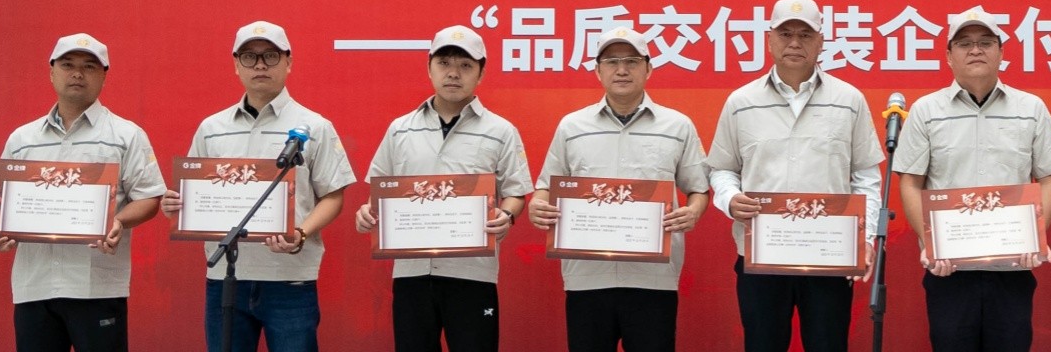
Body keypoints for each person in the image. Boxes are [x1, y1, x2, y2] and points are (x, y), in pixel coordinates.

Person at [162, 21, 358, 352]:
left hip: (290, 279)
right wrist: (176, 205)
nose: (260, 65)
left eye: (270, 55)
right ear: (236, 65)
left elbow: (333, 196)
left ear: (288, 62)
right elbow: (193, 193)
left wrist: (301, 233)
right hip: (226, 278)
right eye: (249, 57)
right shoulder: (212, 128)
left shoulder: (313, 126)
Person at [708, 0, 886, 352]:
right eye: (785, 34)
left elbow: (865, 177)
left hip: (830, 256)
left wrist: (866, 238)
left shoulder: (849, 100)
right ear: (769, 39)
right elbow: (722, 169)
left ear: (821, 42)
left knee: (828, 344)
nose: (794, 43)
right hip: (761, 256)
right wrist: (730, 199)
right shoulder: (741, 102)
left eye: (805, 35)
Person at [894, 7, 1051, 352]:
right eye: (964, 43)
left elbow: (1050, 178)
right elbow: (911, 183)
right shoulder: (926, 111)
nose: (975, 50)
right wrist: (930, 243)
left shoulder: (1030, 108)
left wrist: (1036, 236)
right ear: (949, 56)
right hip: (949, 269)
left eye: (985, 42)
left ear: (1001, 52)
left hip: (1012, 269)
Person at [526, 25, 711, 352]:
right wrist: (537, 206)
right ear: (598, 71)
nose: (621, 70)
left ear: (648, 68)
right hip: (587, 276)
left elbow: (699, 189)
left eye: (631, 61)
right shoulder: (572, 127)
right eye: (611, 62)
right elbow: (545, 188)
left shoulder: (677, 126)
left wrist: (693, 211)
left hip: (653, 277)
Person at [354, 26, 533, 352]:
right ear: (429, 67)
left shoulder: (501, 131)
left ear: (481, 72)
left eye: (465, 65)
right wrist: (367, 212)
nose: (453, 73)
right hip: (411, 272)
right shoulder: (400, 129)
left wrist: (507, 215)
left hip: (473, 273)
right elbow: (380, 190)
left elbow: (516, 191)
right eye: (444, 63)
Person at [0, 33, 166, 352]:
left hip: (96, 286)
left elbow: (150, 197)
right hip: (34, 285)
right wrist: (3, 230)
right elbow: (3, 201)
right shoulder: (22, 139)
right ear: (51, 72)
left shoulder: (125, 135)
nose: (78, 74)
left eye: (89, 66)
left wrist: (119, 221)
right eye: (68, 65)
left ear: (104, 76)